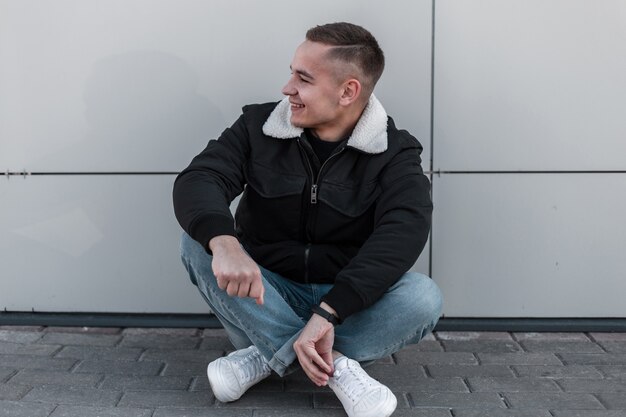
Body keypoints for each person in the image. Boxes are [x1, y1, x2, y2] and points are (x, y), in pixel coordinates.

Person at [173, 22, 443, 417]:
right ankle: (334, 366)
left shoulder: (395, 153)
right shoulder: (256, 126)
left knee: (423, 298)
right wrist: (225, 243)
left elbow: (404, 231)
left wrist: (329, 312)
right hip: (267, 295)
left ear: (348, 91)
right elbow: (201, 178)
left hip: (346, 300)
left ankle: (268, 356)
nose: (287, 88)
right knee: (196, 242)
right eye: (291, 73)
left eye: (303, 78)